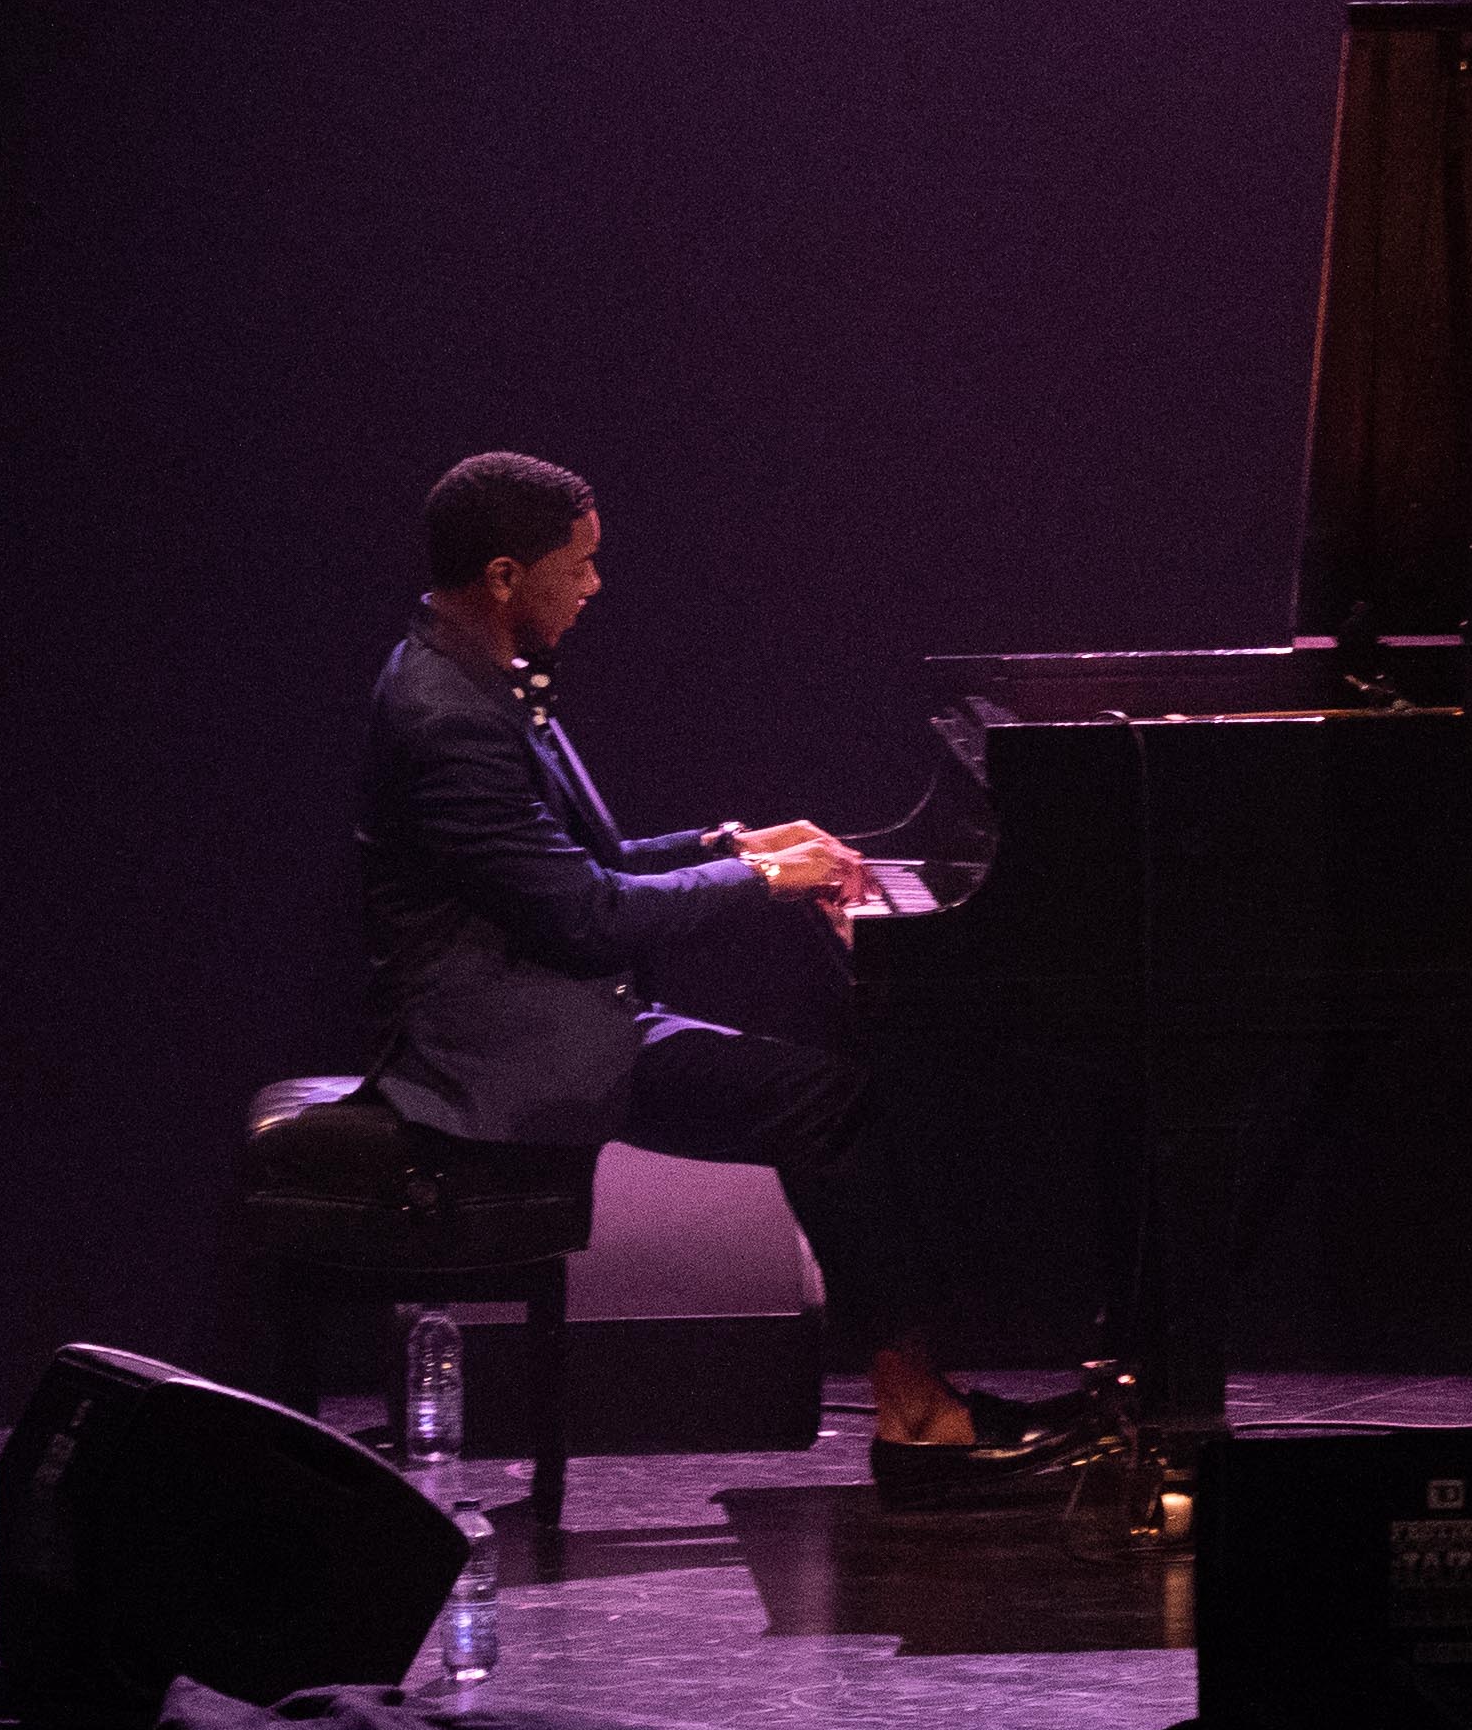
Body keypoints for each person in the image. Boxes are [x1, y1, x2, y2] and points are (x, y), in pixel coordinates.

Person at [353, 450, 1081, 1495]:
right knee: (831, 1108)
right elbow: (588, 915)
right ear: (507, 576)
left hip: (537, 1013)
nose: (595, 586)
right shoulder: (448, 716)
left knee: (832, 1098)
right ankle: (921, 1420)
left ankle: (925, 1403)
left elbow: (578, 867)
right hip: (496, 1054)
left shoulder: (468, 675)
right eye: (580, 564)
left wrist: (729, 842)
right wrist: (762, 881)